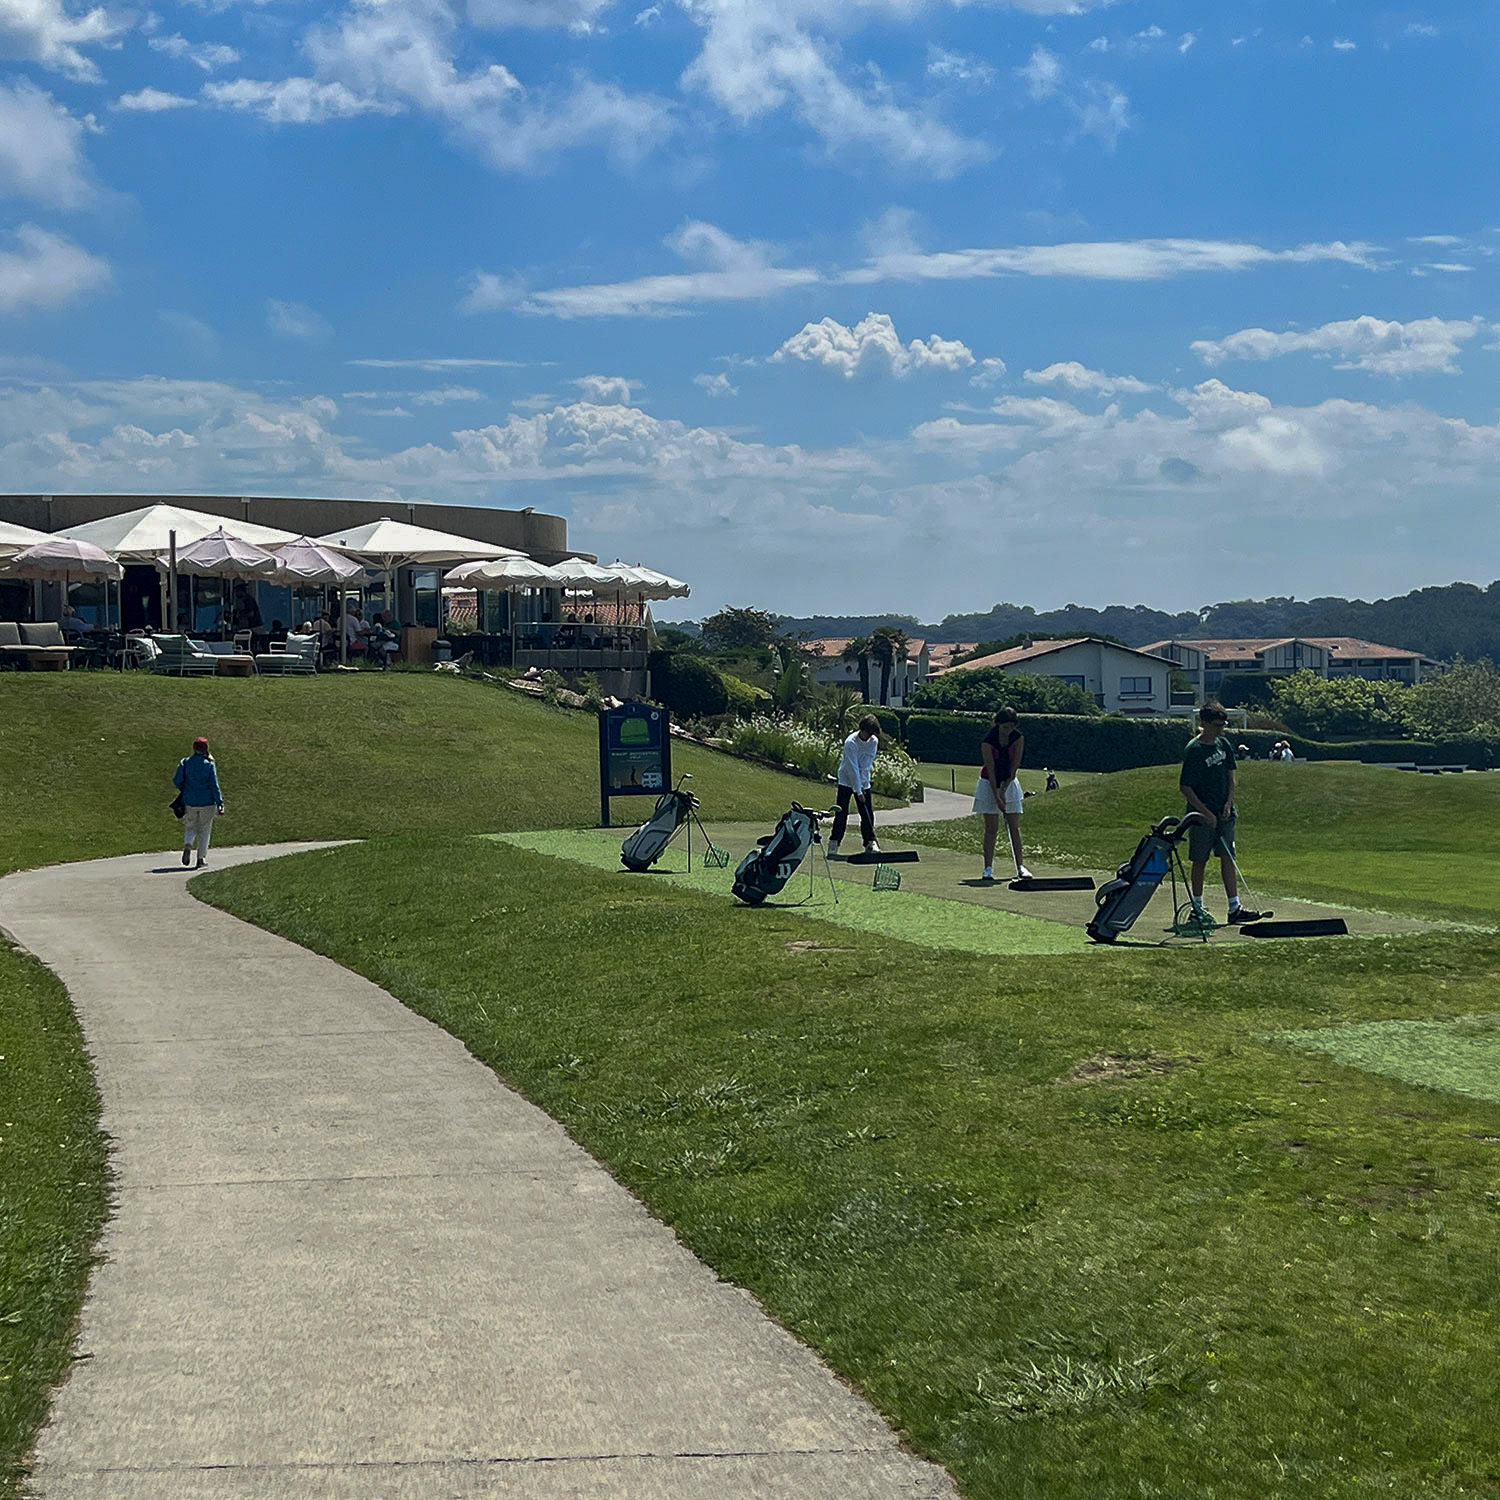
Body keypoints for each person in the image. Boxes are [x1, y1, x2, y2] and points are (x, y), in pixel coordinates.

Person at [1179, 702, 1262, 922]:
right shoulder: (1194, 750)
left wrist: (1228, 803)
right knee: (1200, 860)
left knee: (1228, 856)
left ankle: (1234, 908)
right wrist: (1206, 813)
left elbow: (1230, 777)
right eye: (1216, 725)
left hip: (1225, 813)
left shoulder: (1223, 744)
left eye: (1223, 725)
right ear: (1203, 723)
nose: (1220, 729)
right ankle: (1197, 909)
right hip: (1200, 816)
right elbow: (1185, 787)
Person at [973, 707, 1032, 882]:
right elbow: (990, 771)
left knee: (1014, 826)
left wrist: (1004, 791)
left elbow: (1013, 769)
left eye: (1011, 726)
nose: (1008, 730)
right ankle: (988, 869)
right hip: (988, 784)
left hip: (1009, 782)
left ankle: (1020, 867)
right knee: (991, 828)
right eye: (1005, 726)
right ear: (998, 724)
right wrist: (997, 796)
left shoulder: (1018, 738)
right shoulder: (987, 741)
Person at [827, 714, 882, 857]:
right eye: (868, 733)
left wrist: (863, 787)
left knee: (867, 813)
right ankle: (834, 843)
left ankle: (870, 842)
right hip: (846, 780)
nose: (870, 736)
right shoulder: (851, 743)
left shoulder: (873, 741)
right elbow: (852, 769)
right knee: (841, 813)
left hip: (863, 781)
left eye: (872, 734)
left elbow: (865, 766)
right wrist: (858, 792)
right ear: (861, 729)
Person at [173, 736, 225, 869]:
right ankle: (200, 859)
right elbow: (214, 785)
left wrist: (185, 789)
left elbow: (177, 780)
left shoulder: (186, 762)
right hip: (207, 802)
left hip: (190, 800)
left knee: (190, 826)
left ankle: (188, 844)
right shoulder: (209, 765)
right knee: (204, 830)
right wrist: (220, 802)